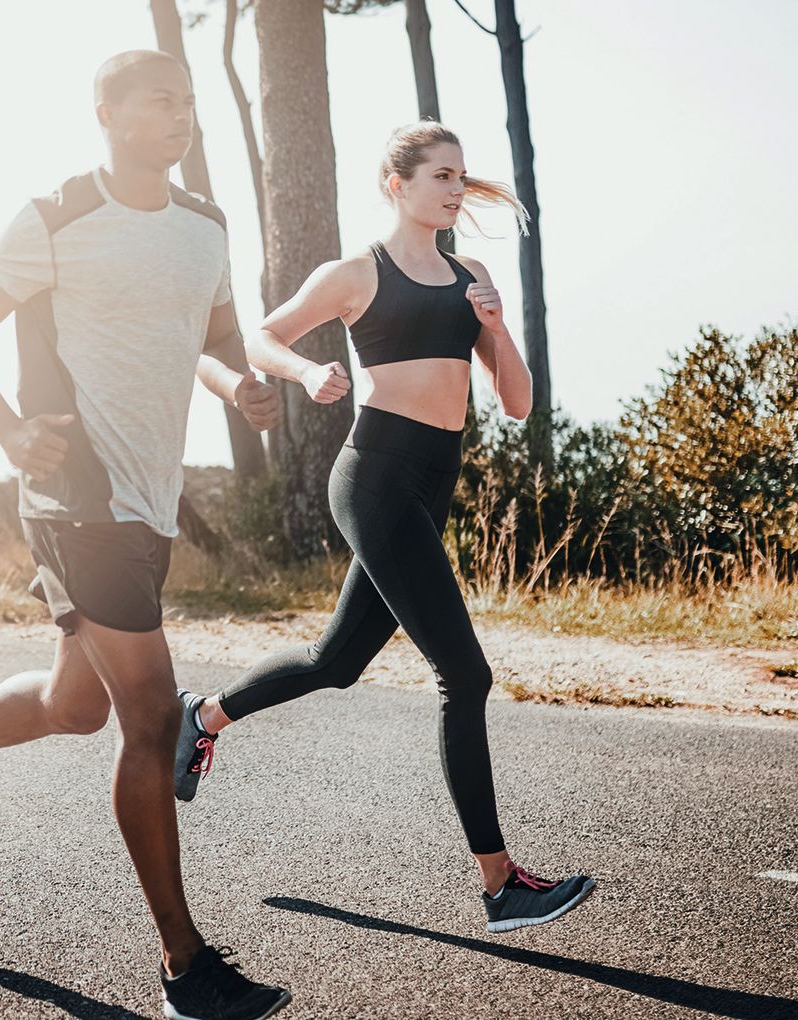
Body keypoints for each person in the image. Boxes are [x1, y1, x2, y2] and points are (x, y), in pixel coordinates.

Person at [0, 50, 292, 1020]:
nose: (180, 116)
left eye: (188, 103)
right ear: (104, 112)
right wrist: (5, 428)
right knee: (151, 716)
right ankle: (184, 967)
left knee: (77, 706)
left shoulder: (205, 225)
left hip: (147, 504)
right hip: (75, 497)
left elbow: (214, 337)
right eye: (161, 101)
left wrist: (241, 384)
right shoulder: (56, 215)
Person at [173, 121, 594, 935]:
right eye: (440, 175)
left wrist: (497, 326)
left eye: (461, 178)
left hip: (433, 481)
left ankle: (203, 717)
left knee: (337, 662)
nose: (454, 189)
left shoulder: (471, 276)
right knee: (464, 676)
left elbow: (517, 403)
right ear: (396, 183)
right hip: (374, 476)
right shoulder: (357, 272)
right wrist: (306, 371)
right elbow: (265, 334)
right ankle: (502, 886)